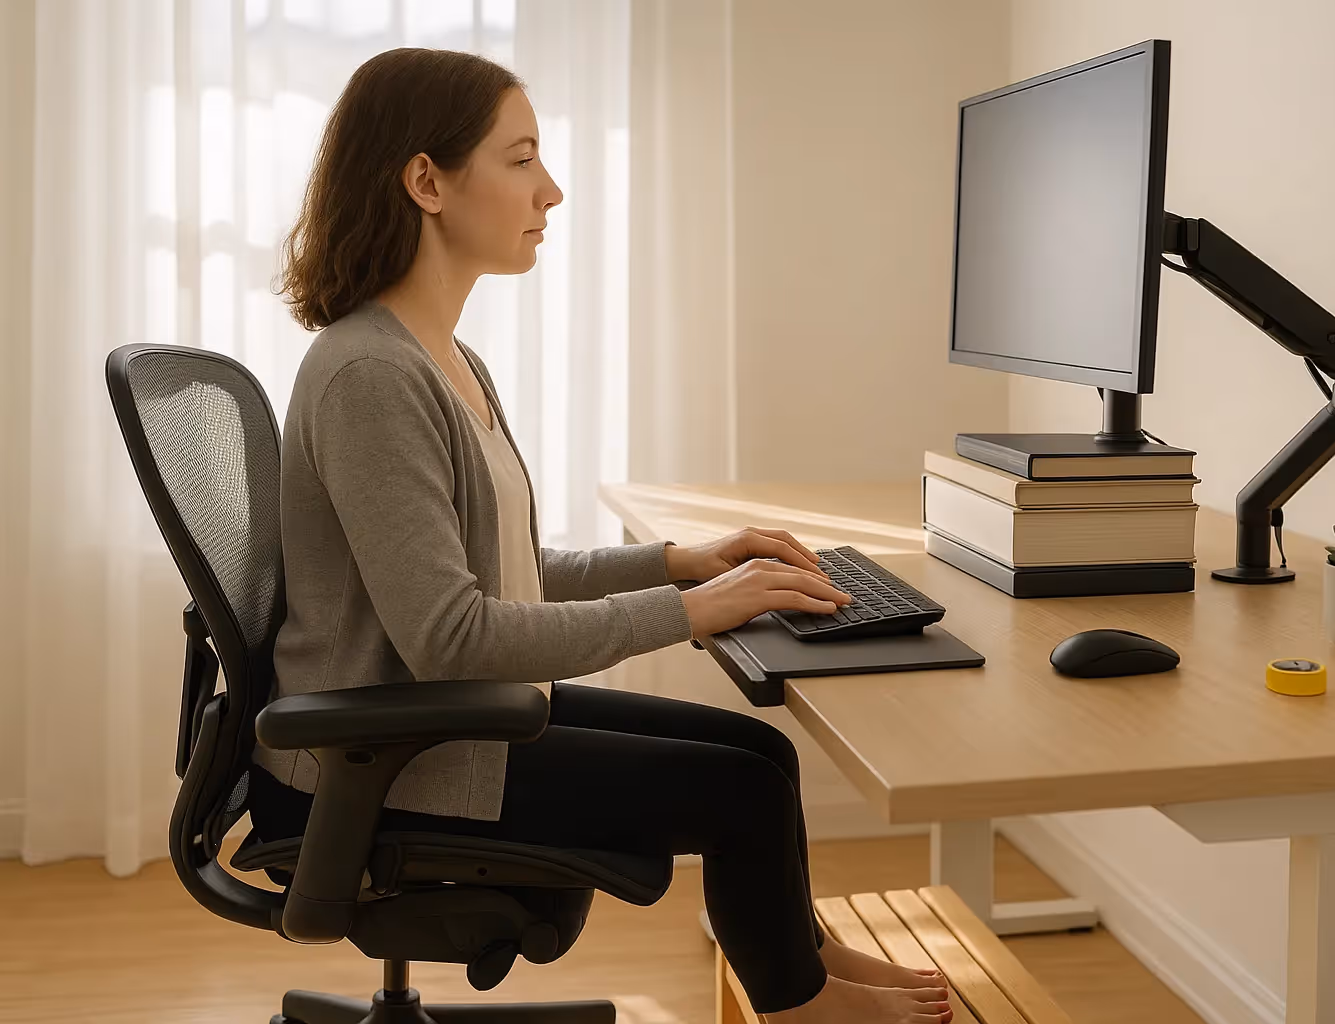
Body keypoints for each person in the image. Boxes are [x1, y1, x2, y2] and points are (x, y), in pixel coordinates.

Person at [247, 47, 953, 1024]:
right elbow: (450, 635)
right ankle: (799, 1009)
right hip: (386, 756)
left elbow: (505, 572)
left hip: (437, 719)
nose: (554, 189)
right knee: (734, 795)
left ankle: (807, 960)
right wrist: (692, 609)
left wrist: (682, 561)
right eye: (522, 158)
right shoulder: (372, 376)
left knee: (761, 758)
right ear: (426, 181)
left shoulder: (447, 359)